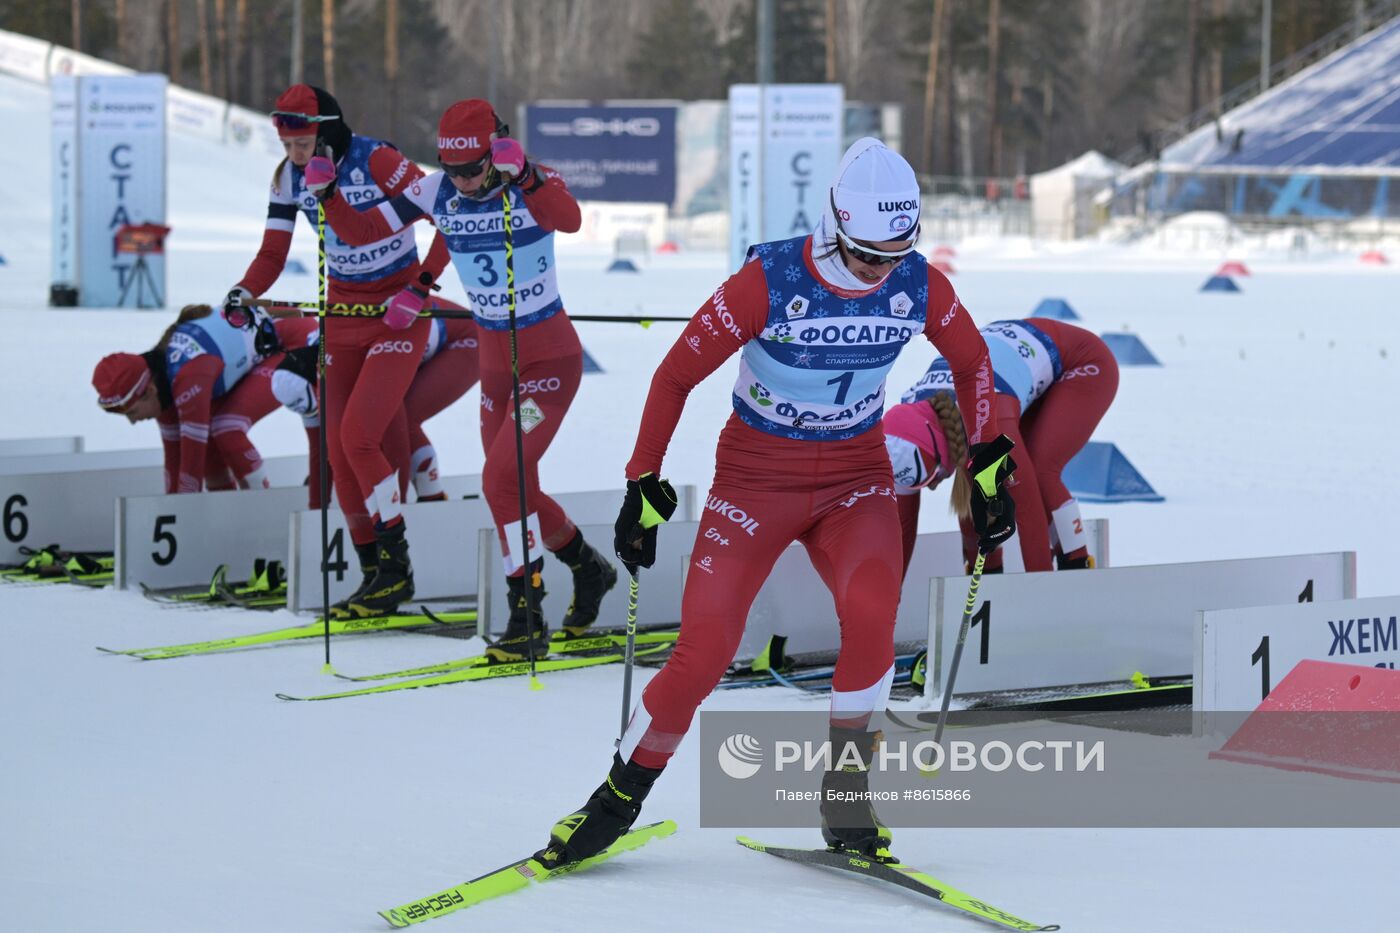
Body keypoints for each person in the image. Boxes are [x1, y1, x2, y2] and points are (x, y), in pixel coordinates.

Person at [535, 138, 1015, 868]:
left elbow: (974, 362)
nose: (878, 272)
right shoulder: (771, 278)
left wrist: (987, 459)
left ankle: (847, 797)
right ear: (833, 225)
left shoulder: (917, 284)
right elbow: (674, 376)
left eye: (892, 256)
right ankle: (616, 797)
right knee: (705, 650)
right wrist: (642, 481)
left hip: (855, 477)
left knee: (872, 617)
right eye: (864, 256)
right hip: (756, 479)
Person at [308, 98, 616, 660]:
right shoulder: (440, 191)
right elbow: (365, 231)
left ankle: (527, 616)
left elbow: (568, 219)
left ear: (497, 150)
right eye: (453, 171)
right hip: (497, 370)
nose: (465, 182)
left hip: (547, 365)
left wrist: (523, 174)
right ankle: (587, 567)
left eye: (474, 169)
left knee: (501, 476)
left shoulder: (532, 180)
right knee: (512, 487)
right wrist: (329, 198)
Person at [226, 84, 466, 619]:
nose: (295, 155)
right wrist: (246, 291)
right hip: (343, 313)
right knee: (338, 451)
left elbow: (448, 216)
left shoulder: (377, 159)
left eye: (304, 143)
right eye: (287, 145)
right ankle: (372, 572)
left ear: (328, 132)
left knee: (360, 436)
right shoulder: (288, 178)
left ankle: (396, 565)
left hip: (397, 312)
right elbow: (272, 251)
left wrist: (422, 285)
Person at [883, 318, 1118, 574]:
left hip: (1082, 362)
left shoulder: (991, 420)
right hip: (1010, 369)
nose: (932, 487)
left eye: (934, 477)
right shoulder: (899, 440)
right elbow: (901, 530)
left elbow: (1028, 515)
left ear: (946, 453)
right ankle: (986, 574)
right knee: (974, 482)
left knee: (1038, 471)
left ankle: (1076, 565)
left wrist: (1041, 587)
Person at [92, 305, 323, 502]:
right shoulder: (160, 385)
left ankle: (261, 511)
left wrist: (181, 523)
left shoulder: (187, 375)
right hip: (266, 343)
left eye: (131, 412)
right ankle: (230, 518)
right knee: (212, 439)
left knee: (227, 427)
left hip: (296, 341)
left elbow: (190, 467)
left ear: (149, 391)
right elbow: (175, 461)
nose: (133, 422)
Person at [406, 316, 480, 501]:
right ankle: (427, 495)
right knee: (384, 416)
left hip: (467, 340)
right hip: (437, 342)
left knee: (399, 417)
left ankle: (432, 497)